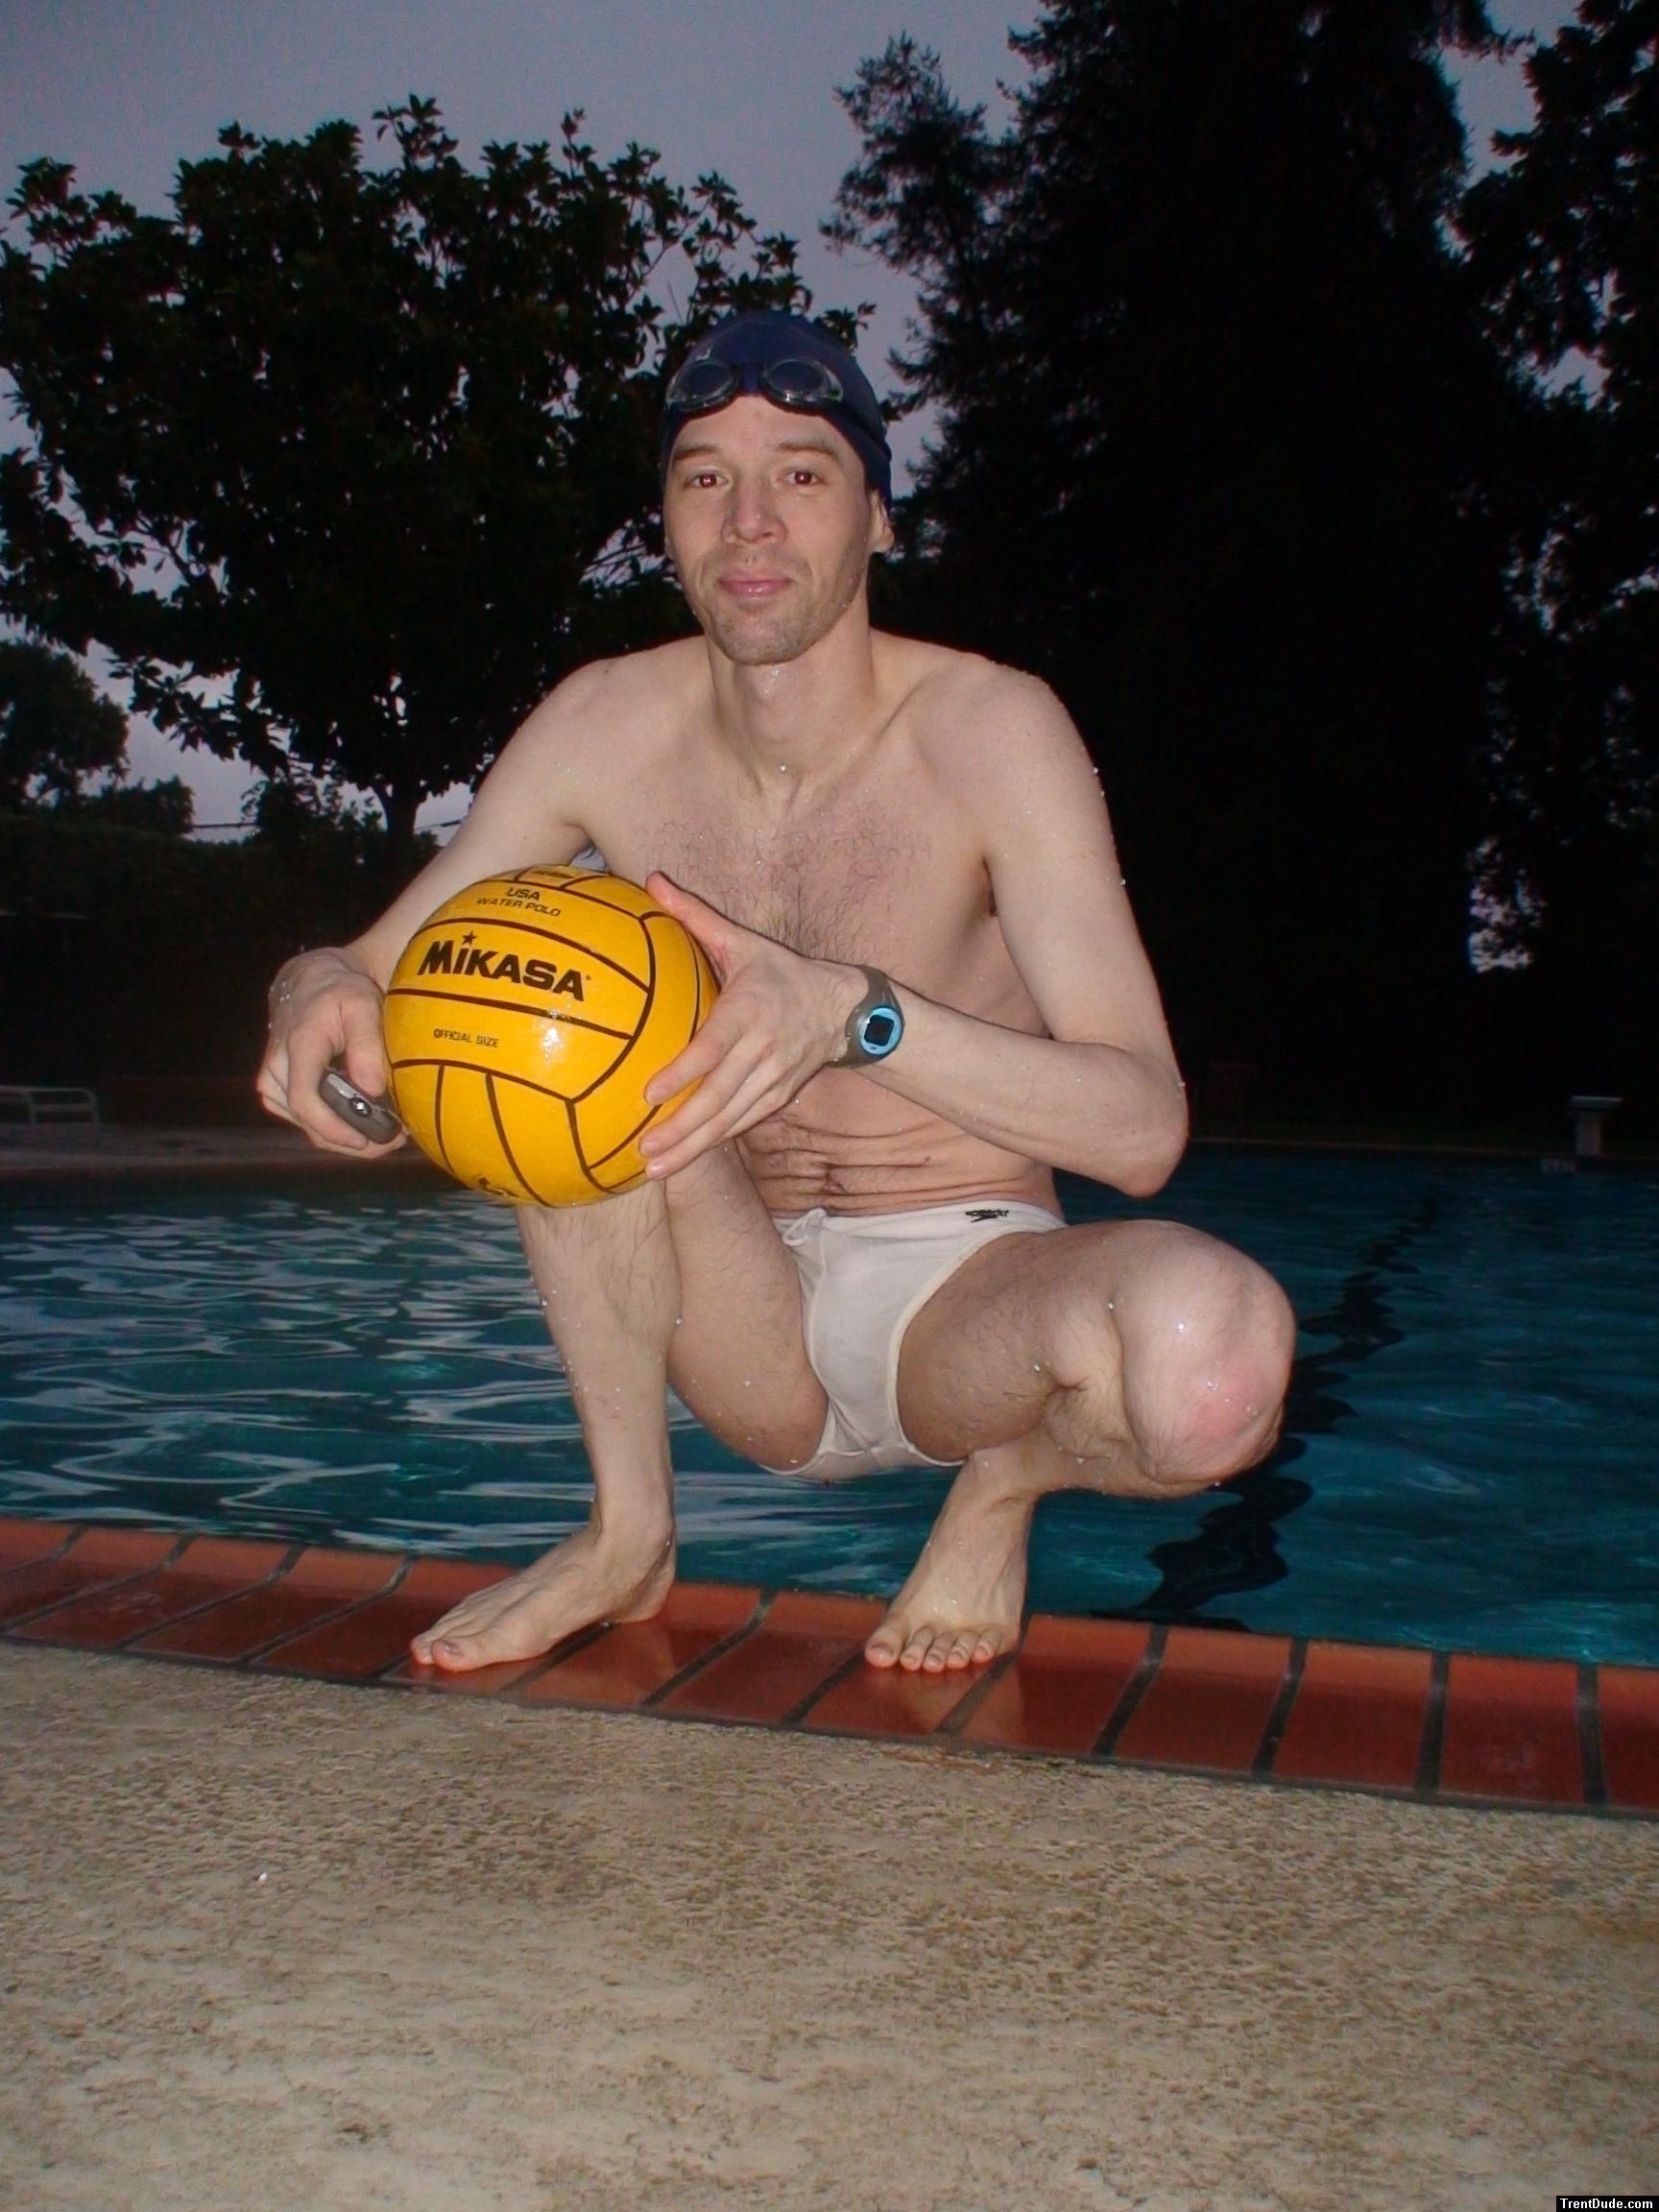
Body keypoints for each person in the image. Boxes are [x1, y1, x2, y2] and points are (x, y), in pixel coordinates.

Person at [258, 310, 1295, 1676]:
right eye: (706, 478)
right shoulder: (603, 725)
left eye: (801, 474)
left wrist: (855, 1014)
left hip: (966, 1292)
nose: (750, 521)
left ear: (876, 516)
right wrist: (311, 993)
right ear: (668, 522)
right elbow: (372, 964)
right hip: (734, 1304)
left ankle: (1000, 1491)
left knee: (1212, 1359)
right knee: (545, 1025)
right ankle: (627, 1532)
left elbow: (1141, 1123)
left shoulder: (993, 730)